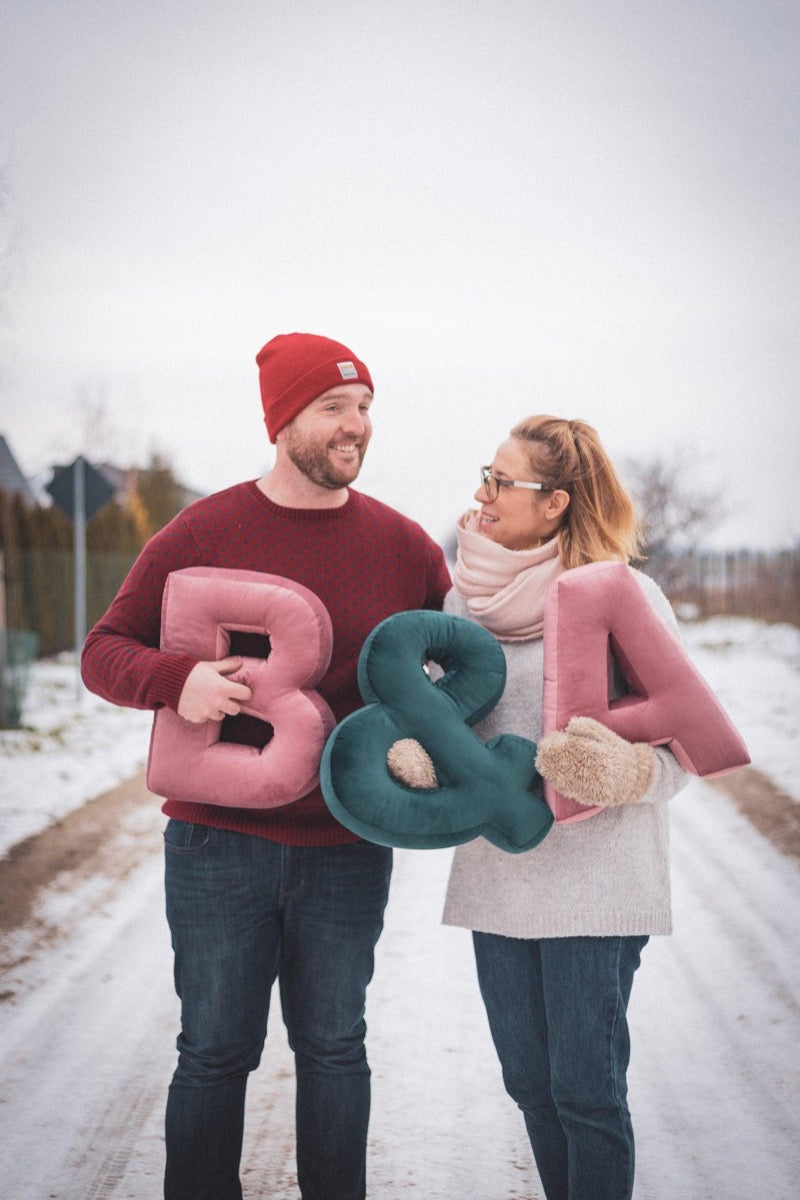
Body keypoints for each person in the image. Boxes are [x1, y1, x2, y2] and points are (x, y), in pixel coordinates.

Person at [80, 332, 451, 1200]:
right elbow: (104, 651)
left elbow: (467, 665)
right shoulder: (205, 530)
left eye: (364, 408)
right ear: (283, 421)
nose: (355, 426)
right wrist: (180, 679)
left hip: (347, 844)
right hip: (218, 848)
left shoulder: (403, 546)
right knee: (213, 1050)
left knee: (334, 1047)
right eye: (334, 408)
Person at [440, 416, 688, 1200]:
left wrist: (628, 773)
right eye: (486, 472)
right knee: (531, 1087)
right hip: (498, 879)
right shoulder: (462, 602)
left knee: (585, 1093)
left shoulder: (624, 598)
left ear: (553, 503)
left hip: (598, 886)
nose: (481, 494)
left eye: (499, 480)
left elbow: (685, 749)